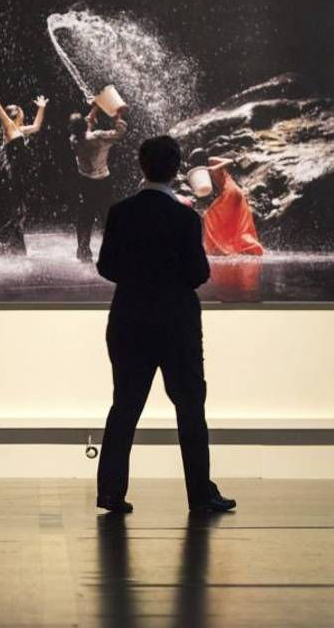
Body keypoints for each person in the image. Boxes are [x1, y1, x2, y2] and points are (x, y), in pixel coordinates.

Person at [95, 135, 236, 515]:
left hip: (129, 321)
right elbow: (199, 273)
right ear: (177, 170)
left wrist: (139, 277)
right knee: (190, 409)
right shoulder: (186, 219)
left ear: (142, 165)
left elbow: (106, 266)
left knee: (124, 406)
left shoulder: (121, 213)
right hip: (177, 325)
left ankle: (110, 492)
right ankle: (200, 495)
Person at [0, 83, 46, 254]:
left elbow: (37, 126)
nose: (23, 112)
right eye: (21, 110)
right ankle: (1, 245)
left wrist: (41, 108)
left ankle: (8, 245)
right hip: (11, 176)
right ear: (16, 113)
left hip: (19, 175)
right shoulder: (9, 127)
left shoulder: (20, 129)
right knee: (17, 211)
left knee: (19, 211)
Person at [68, 100, 127, 262]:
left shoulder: (73, 139)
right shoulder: (98, 137)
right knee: (107, 217)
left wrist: (96, 105)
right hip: (102, 181)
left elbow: (84, 124)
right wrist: (118, 114)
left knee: (85, 218)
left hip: (85, 182)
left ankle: (83, 252)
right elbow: (120, 132)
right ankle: (112, 251)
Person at [200, 155, 263, 256]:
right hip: (234, 192)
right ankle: (240, 247)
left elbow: (230, 160)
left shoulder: (212, 161)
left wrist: (216, 167)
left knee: (209, 214)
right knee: (235, 222)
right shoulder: (204, 174)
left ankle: (219, 248)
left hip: (231, 191)